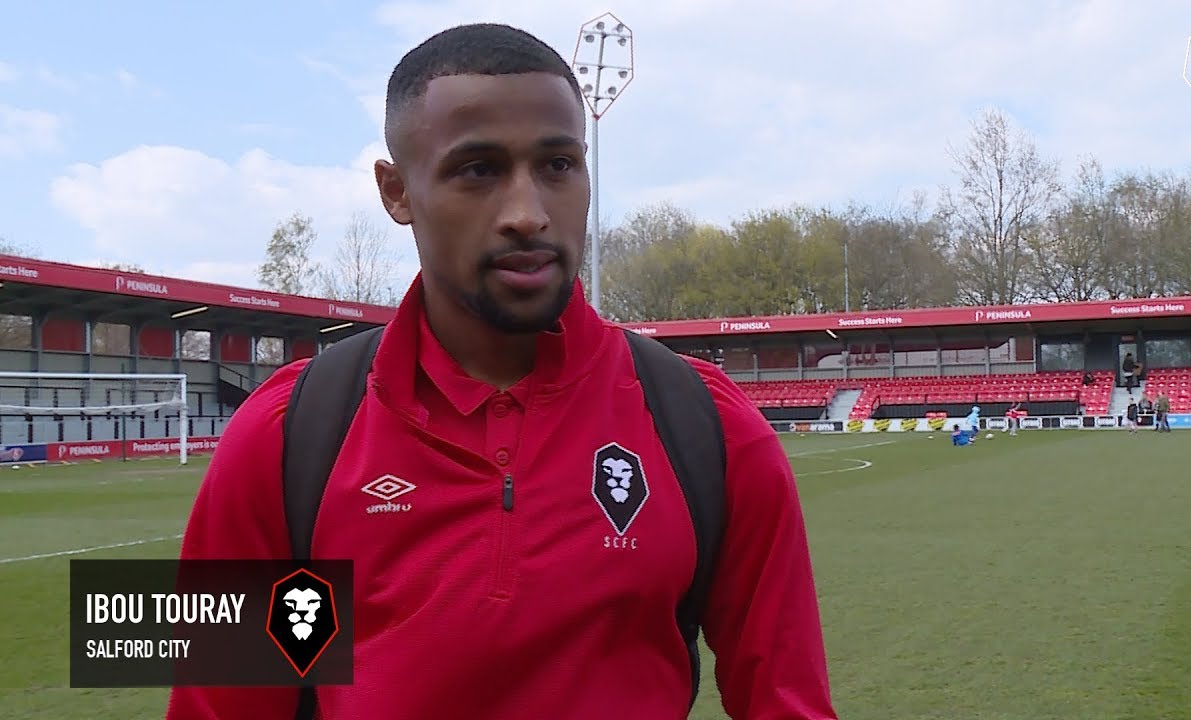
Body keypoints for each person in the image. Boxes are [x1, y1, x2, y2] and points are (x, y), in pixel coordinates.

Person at [165, 23, 836, 720]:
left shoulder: (710, 429)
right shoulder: (287, 439)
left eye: (557, 165)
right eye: (478, 169)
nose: (528, 214)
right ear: (396, 193)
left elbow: (787, 703)